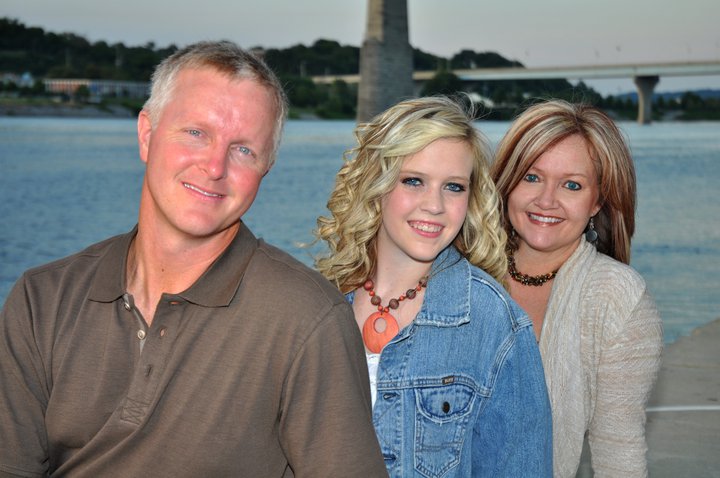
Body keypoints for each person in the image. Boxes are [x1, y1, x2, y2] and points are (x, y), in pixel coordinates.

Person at [0, 41, 387, 477]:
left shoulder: (307, 319)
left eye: (243, 149)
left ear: (266, 168)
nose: (215, 166)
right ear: (146, 134)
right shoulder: (43, 300)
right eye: (196, 133)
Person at [315, 96, 553, 477]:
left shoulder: (495, 325)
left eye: (454, 187)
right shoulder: (317, 304)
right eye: (414, 181)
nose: (435, 205)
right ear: (376, 183)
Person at [490, 99, 664, 477]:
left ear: (596, 201)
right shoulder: (463, 274)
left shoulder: (615, 298)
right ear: (507, 182)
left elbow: (618, 451)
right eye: (531, 177)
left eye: (572, 185)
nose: (546, 200)